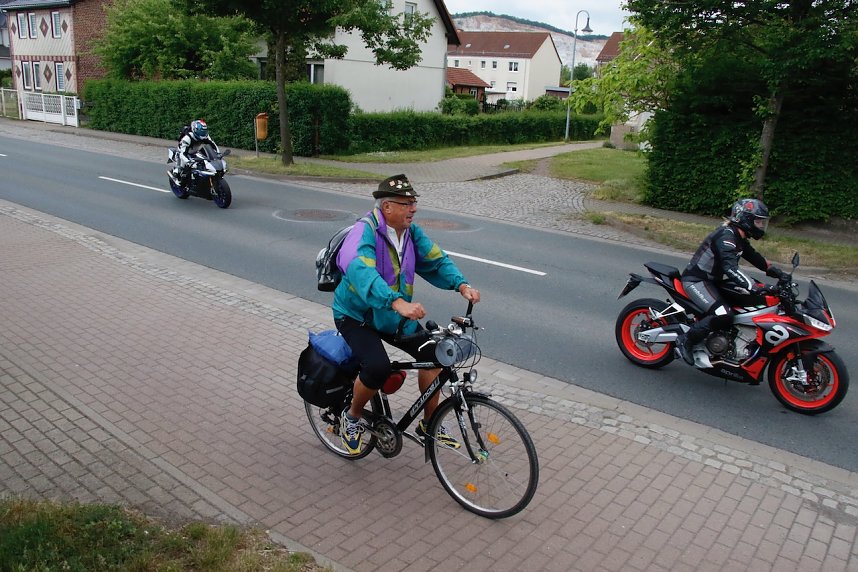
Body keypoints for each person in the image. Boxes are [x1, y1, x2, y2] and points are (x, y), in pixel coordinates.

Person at [333, 174, 481, 454]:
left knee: (435, 355)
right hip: (357, 315)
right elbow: (358, 268)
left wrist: (461, 284)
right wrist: (396, 302)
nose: (413, 208)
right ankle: (351, 417)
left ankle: (429, 424)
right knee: (377, 368)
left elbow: (435, 260)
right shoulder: (364, 232)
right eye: (406, 203)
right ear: (387, 207)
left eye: (414, 202)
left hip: (391, 316)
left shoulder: (410, 233)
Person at [676, 198, 784, 365]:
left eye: (762, 222)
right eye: (758, 221)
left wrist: (777, 273)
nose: (761, 226)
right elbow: (731, 269)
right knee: (724, 314)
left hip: (713, 282)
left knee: (743, 304)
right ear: (745, 219)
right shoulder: (726, 236)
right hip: (696, 281)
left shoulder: (738, 236)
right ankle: (686, 340)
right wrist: (754, 287)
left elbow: (755, 257)